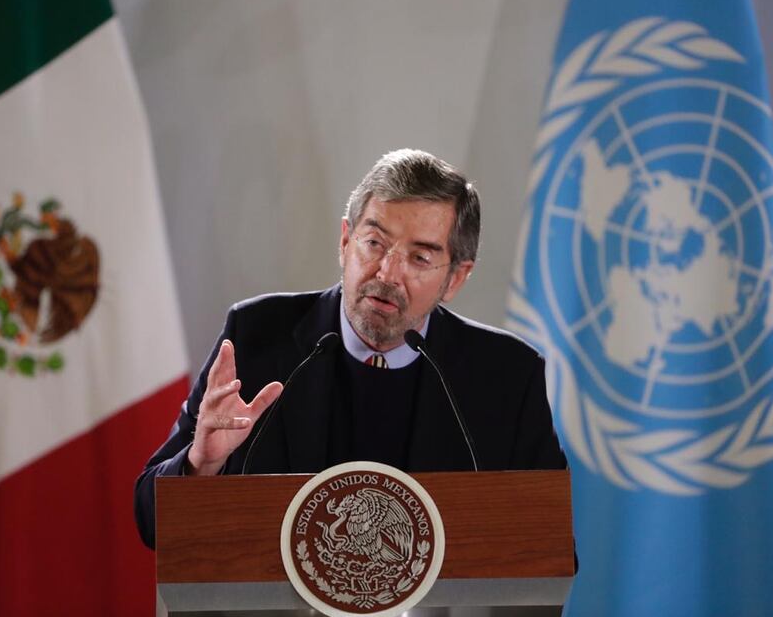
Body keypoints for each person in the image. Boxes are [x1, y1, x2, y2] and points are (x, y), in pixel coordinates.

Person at [134, 149, 565, 549]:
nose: (387, 272)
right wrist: (200, 465)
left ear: (455, 277)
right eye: (374, 243)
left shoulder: (506, 376)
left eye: (419, 258)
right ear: (345, 241)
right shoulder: (258, 337)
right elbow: (151, 522)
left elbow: (550, 549)